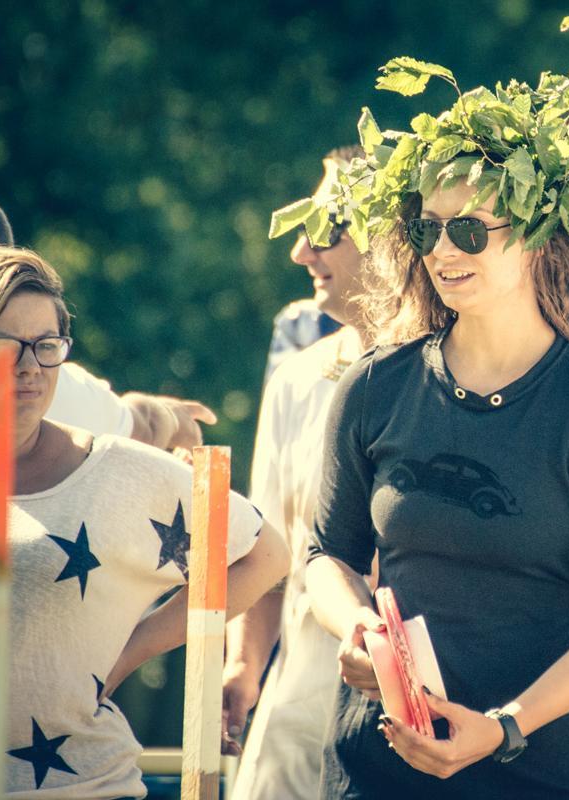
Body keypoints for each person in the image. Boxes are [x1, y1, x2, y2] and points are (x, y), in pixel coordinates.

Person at [294, 29, 569, 797]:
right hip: (378, 768)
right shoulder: (374, 386)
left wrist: (504, 728)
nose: (441, 250)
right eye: (427, 228)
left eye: (468, 230)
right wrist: (356, 626)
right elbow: (326, 553)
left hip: (535, 774)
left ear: (536, 237)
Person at [0, 245, 288, 797]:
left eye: (47, 346)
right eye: (9, 343)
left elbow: (266, 554)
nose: (30, 366)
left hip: (86, 786)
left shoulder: (114, 469)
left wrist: (131, 650)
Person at [222, 147, 370, 799]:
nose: (301, 251)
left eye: (327, 228)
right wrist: (242, 666)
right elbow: (269, 551)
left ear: (391, 233)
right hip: (296, 723)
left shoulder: (460, 377)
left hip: (422, 729)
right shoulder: (297, 378)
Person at [0, 201, 217, 450]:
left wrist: (170, 419)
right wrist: (172, 419)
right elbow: (145, 426)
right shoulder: (49, 387)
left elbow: (140, 425)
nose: (29, 366)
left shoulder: (48, 383)